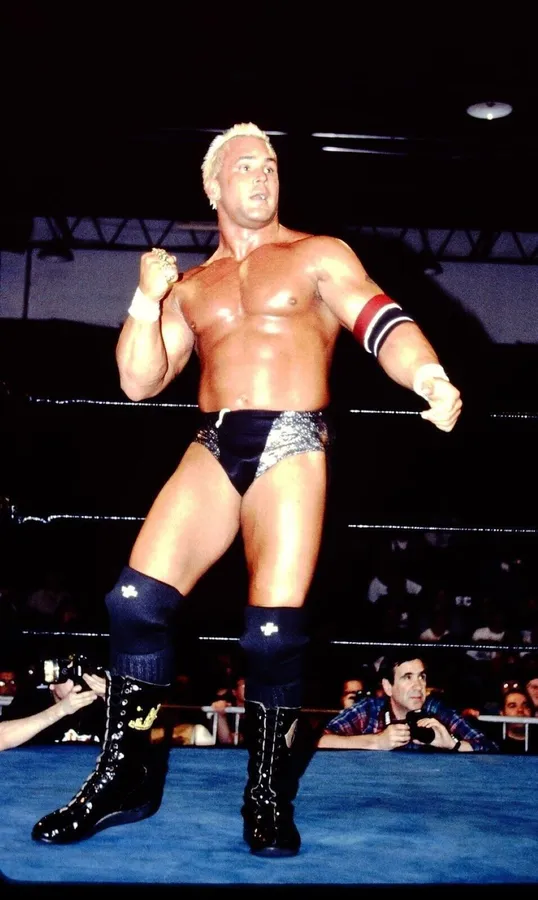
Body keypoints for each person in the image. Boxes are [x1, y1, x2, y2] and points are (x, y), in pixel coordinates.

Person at [32, 122, 462, 856]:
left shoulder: (317, 254)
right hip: (214, 439)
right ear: (213, 185)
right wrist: (146, 299)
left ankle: (264, 795)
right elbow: (138, 381)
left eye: (270, 165)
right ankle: (124, 778)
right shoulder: (192, 285)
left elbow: (379, 318)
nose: (262, 176)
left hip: (293, 437)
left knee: (272, 632)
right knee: (134, 601)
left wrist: (429, 375)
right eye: (245, 166)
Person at [318, 654, 496, 752]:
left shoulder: (436, 710)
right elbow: (317, 740)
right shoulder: (369, 710)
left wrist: (453, 744)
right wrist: (375, 741)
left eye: (421, 677)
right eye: (407, 677)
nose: (418, 686)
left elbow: (490, 749)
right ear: (388, 687)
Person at [0, 673, 102, 751]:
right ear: (52, 683)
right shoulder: (31, 702)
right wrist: (60, 709)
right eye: (69, 675)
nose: (77, 682)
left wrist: (109, 697)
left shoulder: (98, 705)